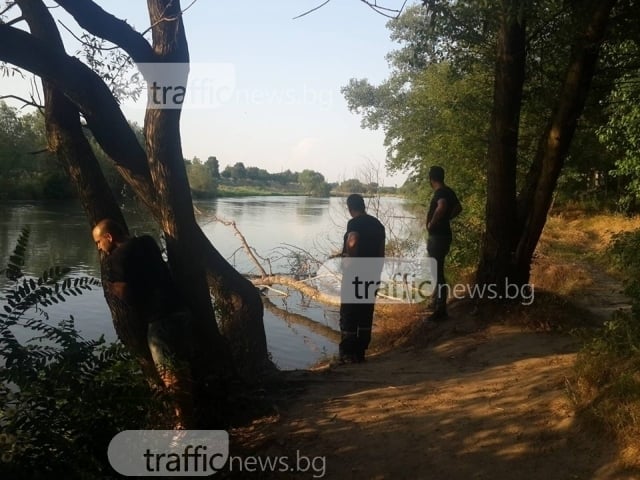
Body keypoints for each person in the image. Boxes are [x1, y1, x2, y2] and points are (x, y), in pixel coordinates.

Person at [92, 218, 193, 426]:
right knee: (183, 364)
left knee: (169, 372)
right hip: (181, 310)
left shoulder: (116, 258)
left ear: (109, 237)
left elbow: (125, 293)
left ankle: (182, 421)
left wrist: (113, 289)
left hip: (159, 319)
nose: (99, 247)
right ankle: (192, 411)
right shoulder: (147, 241)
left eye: (99, 242)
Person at [338, 194, 385, 364]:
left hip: (355, 274)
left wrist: (351, 261)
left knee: (349, 312)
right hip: (372, 273)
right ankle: (360, 353)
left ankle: (347, 355)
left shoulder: (354, 223)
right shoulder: (378, 225)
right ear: (363, 205)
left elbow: (353, 241)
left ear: (350, 208)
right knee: (365, 312)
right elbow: (381, 251)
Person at [425, 166, 462, 322]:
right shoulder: (449, 191)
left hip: (438, 236)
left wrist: (433, 223)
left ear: (431, 179)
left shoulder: (440, 193)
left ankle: (440, 310)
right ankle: (436, 302)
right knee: (437, 269)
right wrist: (447, 219)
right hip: (445, 235)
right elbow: (459, 208)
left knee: (437, 272)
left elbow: (442, 206)